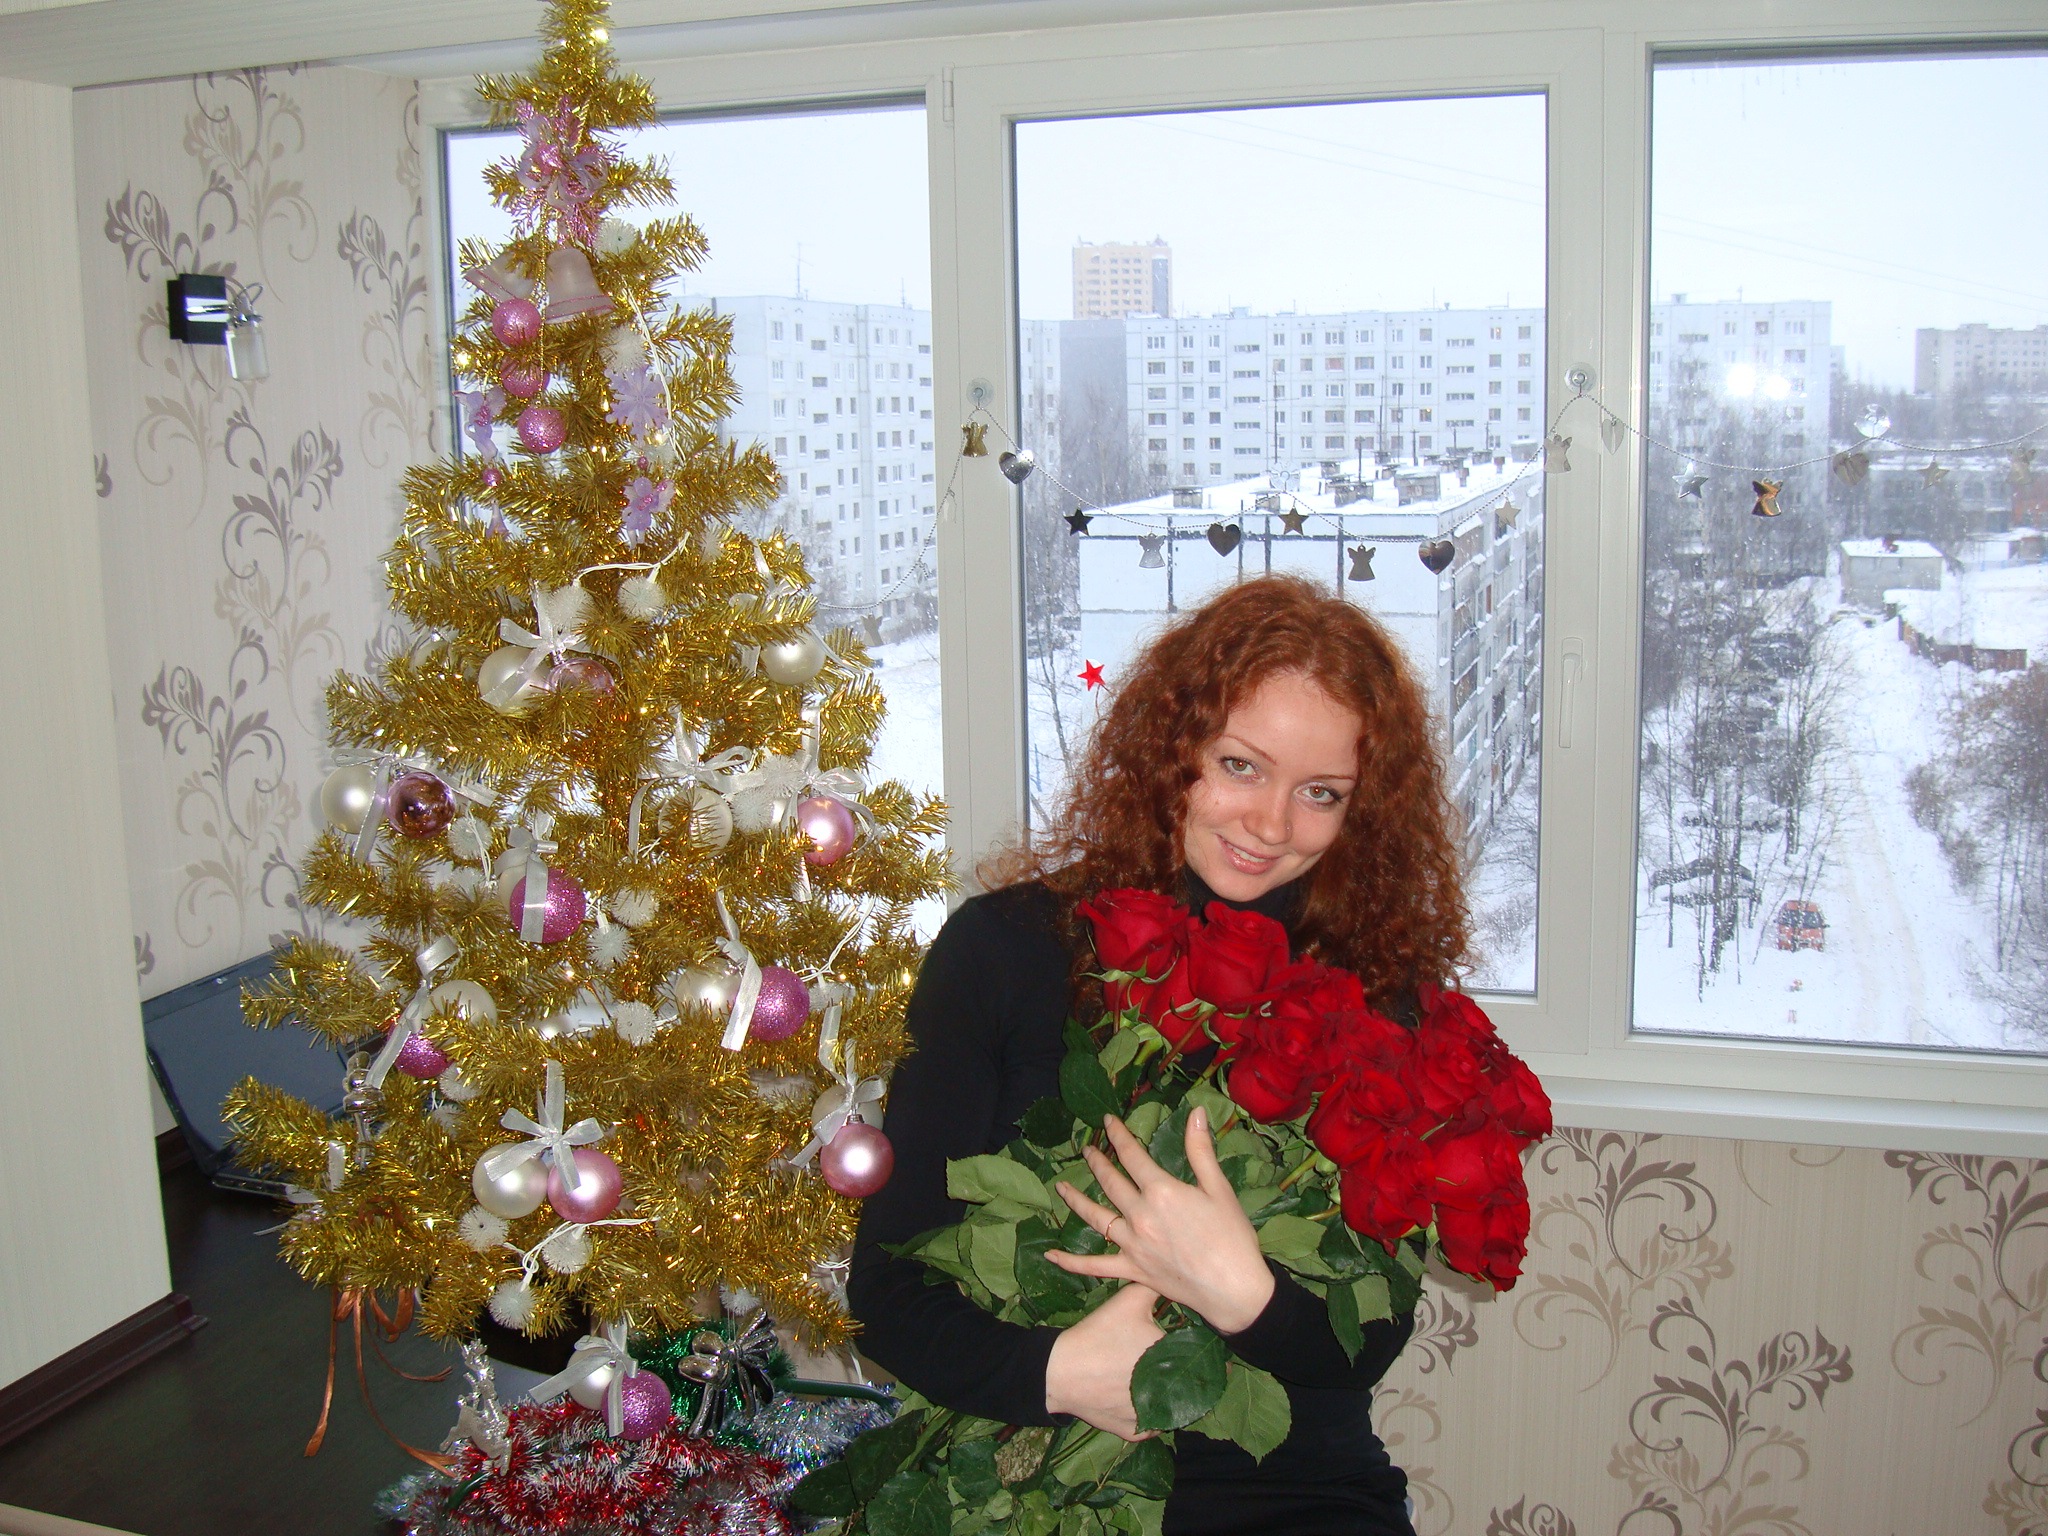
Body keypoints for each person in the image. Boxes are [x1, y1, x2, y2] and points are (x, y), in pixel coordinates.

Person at [847, 575, 1470, 1536]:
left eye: (1321, 793)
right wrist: (1058, 1373)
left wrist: (1245, 1291)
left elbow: (1371, 1341)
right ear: (1171, 746)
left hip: (1294, 1493)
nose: (1272, 824)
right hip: (1025, 1470)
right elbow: (888, 1292)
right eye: (1240, 766)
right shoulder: (1004, 952)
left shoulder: (1381, 995)